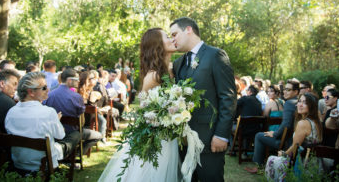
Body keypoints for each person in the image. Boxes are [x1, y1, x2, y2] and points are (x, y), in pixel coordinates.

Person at [98, 27, 179, 181]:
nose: (172, 39)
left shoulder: (171, 70)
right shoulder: (154, 75)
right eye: (167, 37)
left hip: (169, 135)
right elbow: (145, 111)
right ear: (158, 45)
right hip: (156, 137)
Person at [171, 17, 237, 182]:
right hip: (183, 141)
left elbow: (227, 97)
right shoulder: (178, 63)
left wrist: (222, 135)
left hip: (209, 140)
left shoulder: (216, 55)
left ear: (188, 29)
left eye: (174, 34)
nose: (172, 39)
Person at [5, 72, 81, 173]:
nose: (48, 90)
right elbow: (60, 135)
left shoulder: (11, 112)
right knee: (76, 134)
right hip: (44, 164)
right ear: (31, 92)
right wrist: (56, 121)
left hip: (19, 163)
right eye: (44, 88)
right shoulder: (48, 112)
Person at [245, 78, 299, 173]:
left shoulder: (289, 103)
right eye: (285, 89)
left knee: (259, 135)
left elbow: (286, 124)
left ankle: (259, 167)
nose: (285, 92)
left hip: (286, 142)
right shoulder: (297, 102)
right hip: (292, 140)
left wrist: (274, 134)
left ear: (296, 91)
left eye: (288, 90)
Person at [265, 93, 322, 181]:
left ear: (312, 106)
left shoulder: (303, 123)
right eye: (299, 101)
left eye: (305, 103)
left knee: (272, 159)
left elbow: (295, 147)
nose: (300, 104)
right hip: (315, 162)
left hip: (303, 163)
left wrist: (283, 154)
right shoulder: (317, 121)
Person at [44, 68, 102, 154]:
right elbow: (82, 121)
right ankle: (77, 154)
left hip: (53, 132)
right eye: (76, 80)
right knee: (98, 135)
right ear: (70, 80)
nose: (78, 82)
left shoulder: (49, 95)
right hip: (72, 133)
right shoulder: (76, 97)